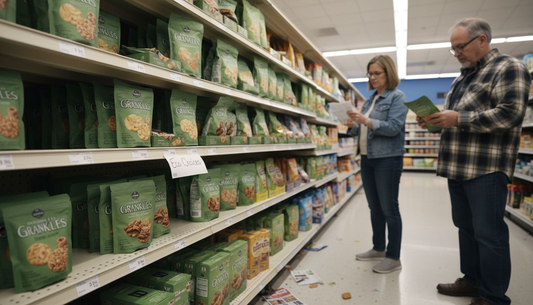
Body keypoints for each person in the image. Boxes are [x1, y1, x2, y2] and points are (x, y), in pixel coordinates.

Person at [417, 18, 531, 305]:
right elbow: (455, 120)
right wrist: (434, 120)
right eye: (452, 48)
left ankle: (493, 297)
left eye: (460, 46)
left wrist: (458, 118)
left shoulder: (509, 67)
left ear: (482, 40)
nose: (456, 52)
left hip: (486, 169)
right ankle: (472, 281)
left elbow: (511, 114)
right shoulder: (462, 76)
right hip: (458, 167)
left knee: (488, 234)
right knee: (465, 228)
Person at [348, 55, 408, 273]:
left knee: (389, 208)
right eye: (370, 73)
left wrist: (366, 120)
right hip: (367, 158)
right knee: (374, 207)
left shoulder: (397, 97)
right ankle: (378, 247)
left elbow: (393, 127)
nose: (372, 77)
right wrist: (352, 124)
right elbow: (361, 129)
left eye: (377, 73)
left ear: (388, 73)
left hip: (387, 159)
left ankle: (394, 257)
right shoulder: (369, 99)